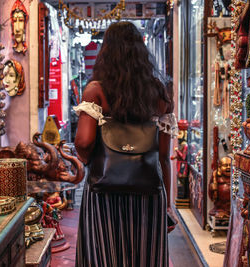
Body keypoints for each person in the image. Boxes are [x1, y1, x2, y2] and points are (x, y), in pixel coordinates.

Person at [74, 21, 178, 267]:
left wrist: (89, 159)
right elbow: (164, 156)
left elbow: (84, 141)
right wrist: (169, 205)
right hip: (148, 193)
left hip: (104, 190)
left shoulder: (96, 91)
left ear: (106, 52)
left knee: (104, 255)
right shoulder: (159, 93)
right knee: (145, 256)